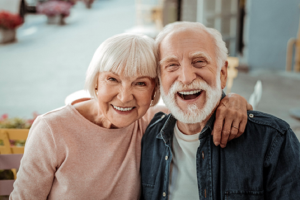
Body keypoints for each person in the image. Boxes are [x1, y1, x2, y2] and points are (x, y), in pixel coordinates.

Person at [10, 33, 251, 200]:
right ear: (95, 82)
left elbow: (200, 106)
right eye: (112, 79)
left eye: (140, 83)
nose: (125, 97)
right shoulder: (52, 130)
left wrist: (232, 100)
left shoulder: (151, 122)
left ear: (155, 91)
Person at [140, 21, 300, 200]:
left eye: (199, 62)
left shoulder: (273, 140)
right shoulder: (147, 136)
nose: (186, 78)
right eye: (172, 65)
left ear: (222, 73)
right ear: (160, 79)